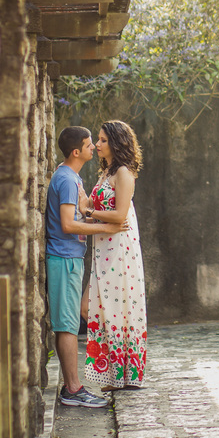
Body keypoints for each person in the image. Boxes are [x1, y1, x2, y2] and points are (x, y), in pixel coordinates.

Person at [45, 125, 127, 408]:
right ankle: (73, 389)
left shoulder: (70, 176)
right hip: (64, 258)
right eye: (90, 144)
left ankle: (73, 387)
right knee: (67, 325)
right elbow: (67, 225)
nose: (95, 147)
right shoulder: (67, 179)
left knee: (68, 322)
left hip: (71, 257)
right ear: (76, 151)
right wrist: (106, 226)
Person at [83, 120, 147, 390]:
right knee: (97, 306)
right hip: (104, 248)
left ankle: (124, 374)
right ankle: (113, 374)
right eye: (97, 140)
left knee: (117, 306)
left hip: (119, 249)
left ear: (117, 143)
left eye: (102, 140)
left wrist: (89, 212)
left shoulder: (123, 173)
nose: (97, 145)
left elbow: (120, 215)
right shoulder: (106, 173)